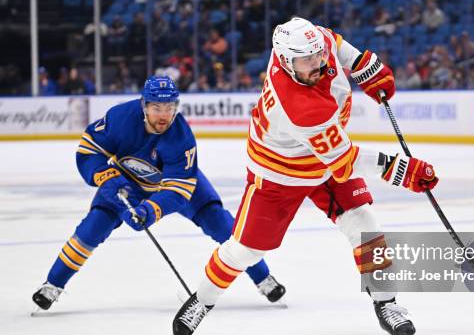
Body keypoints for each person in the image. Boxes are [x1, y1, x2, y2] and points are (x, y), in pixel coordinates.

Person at [171, 18, 438, 335]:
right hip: (279, 173)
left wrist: (365, 66)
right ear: (285, 62)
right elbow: (345, 160)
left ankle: (387, 304)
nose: (317, 64)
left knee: (365, 225)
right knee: (245, 251)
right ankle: (201, 300)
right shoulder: (299, 106)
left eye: (317, 56)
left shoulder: (312, 45)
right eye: (307, 61)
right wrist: (403, 171)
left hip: (325, 162)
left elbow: (334, 43)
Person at [32, 76, 286, 312]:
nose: (164, 115)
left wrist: (150, 211)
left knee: (221, 224)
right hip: (126, 183)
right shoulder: (121, 118)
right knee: (92, 228)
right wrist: (103, 175)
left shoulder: (181, 137)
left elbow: (179, 189)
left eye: (169, 107)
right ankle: (52, 284)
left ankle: (264, 278)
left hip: (176, 184)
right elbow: (89, 148)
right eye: (157, 108)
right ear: (144, 105)